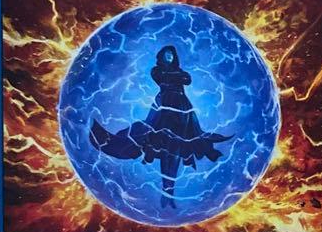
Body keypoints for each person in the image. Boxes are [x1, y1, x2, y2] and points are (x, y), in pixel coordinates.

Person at [89, 45, 231, 211]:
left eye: (172, 54)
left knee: (178, 147)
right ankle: (166, 189)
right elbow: (165, 78)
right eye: (166, 54)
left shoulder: (177, 72)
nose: (169, 56)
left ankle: (169, 191)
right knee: (163, 143)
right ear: (161, 56)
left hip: (183, 108)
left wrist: (176, 76)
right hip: (164, 106)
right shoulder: (156, 70)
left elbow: (187, 79)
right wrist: (177, 76)